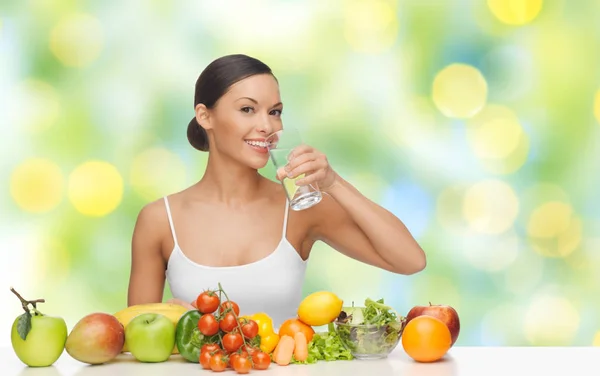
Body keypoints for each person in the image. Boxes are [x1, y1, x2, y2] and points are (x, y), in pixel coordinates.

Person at [127, 54, 426, 328]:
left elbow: (411, 260)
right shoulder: (159, 220)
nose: (267, 126)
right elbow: (137, 336)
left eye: (275, 112)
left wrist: (334, 182)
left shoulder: (301, 207)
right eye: (247, 109)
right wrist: (177, 322)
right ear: (205, 116)